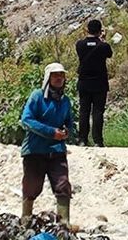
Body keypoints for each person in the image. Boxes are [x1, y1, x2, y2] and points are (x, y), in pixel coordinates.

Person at [21, 62, 76, 225]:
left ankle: (64, 223)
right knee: (32, 186)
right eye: (55, 75)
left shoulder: (65, 101)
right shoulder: (37, 97)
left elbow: (69, 122)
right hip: (35, 150)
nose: (59, 78)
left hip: (57, 150)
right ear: (48, 78)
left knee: (63, 185)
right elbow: (27, 119)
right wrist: (51, 132)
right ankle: (26, 220)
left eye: (61, 75)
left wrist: (67, 131)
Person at [75, 19, 113, 147]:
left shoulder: (79, 44)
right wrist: (103, 39)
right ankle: (98, 140)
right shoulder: (103, 46)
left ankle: (82, 139)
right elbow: (109, 54)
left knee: (84, 111)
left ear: (87, 30)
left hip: (84, 82)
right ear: (100, 30)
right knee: (98, 112)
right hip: (99, 83)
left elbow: (84, 48)